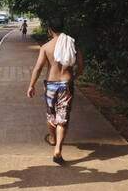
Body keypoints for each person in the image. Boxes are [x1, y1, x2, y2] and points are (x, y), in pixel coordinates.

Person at [26, 17, 84, 164]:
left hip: (51, 85)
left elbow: (38, 68)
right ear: (63, 28)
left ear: (50, 29)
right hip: (66, 84)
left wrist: (31, 85)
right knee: (63, 117)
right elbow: (81, 65)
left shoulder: (46, 47)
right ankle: (58, 148)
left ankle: (52, 138)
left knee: (51, 114)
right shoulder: (71, 43)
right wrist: (74, 76)